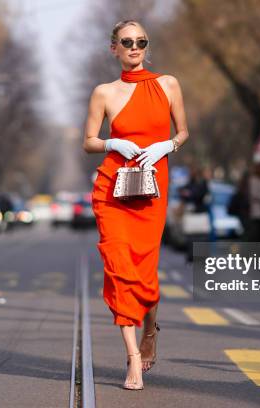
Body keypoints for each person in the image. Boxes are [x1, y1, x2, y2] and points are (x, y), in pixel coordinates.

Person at [82, 19, 189, 390]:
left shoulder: (168, 84)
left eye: (141, 42)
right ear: (114, 48)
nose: (134, 47)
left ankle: (150, 331)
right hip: (112, 191)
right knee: (118, 269)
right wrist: (112, 144)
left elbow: (183, 131)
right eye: (127, 42)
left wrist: (168, 145)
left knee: (145, 274)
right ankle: (132, 359)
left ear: (147, 46)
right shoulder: (104, 92)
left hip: (151, 191)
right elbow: (89, 141)